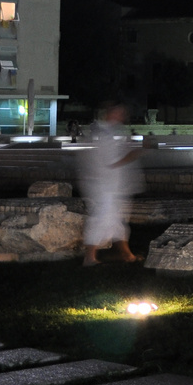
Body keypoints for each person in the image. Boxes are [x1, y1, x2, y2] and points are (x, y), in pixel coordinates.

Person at [82, 103, 142, 265]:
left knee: (118, 223)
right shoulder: (103, 134)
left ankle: (127, 255)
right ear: (111, 113)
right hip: (105, 187)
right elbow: (112, 162)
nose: (123, 116)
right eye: (120, 112)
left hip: (113, 187)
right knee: (101, 219)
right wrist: (136, 153)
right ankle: (89, 257)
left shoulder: (111, 132)